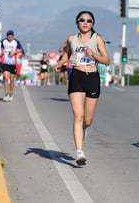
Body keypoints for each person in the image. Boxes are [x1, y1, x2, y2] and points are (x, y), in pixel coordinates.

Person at [55, 11, 110, 166]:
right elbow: (68, 54)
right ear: (77, 22)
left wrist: (94, 56)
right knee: (78, 116)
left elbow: (107, 60)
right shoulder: (71, 39)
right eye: (82, 20)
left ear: (93, 23)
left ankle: (83, 130)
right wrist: (60, 63)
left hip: (92, 78)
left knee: (87, 119)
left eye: (89, 20)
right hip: (77, 77)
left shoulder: (97, 39)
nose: (85, 23)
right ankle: (79, 152)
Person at [1, 29, 24, 102]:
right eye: (9, 37)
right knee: (5, 77)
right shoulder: (3, 41)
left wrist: (15, 52)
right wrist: (2, 52)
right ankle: (6, 94)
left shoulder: (16, 42)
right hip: (5, 62)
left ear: (13, 37)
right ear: (7, 36)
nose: (10, 38)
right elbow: (2, 48)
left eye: (11, 37)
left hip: (13, 63)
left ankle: (11, 94)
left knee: (11, 79)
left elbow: (21, 50)